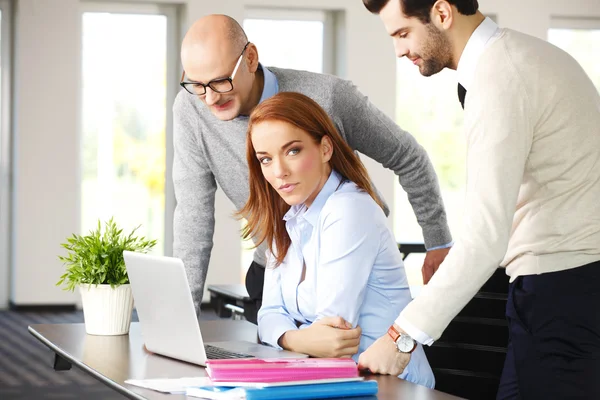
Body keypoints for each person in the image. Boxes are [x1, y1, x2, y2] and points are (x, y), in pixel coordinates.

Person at [358, 1, 600, 399]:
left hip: (560, 292)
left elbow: (485, 237)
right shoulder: (517, 57)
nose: (399, 51)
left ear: (441, 13)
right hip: (553, 289)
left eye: (402, 34)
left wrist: (401, 338)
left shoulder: (501, 75)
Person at [173, 14, 454, 324]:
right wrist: (181, 320)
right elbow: (192, 217)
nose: (210, 98)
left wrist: (438, 242)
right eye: (196, 85)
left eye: (220, 81)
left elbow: (409, 157)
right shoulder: (191, 108)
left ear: (250, 58)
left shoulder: (327, 97)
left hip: (347, 264)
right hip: (275, 270)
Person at [237, 91, 435, 388]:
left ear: (325, 148)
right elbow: (268, 315)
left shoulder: (349, 207)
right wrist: (296, 337)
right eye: (265, 159)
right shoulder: (288, 216)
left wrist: (292, 337)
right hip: (328, 376)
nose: (279, 172)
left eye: (292, 151)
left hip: (390, 385)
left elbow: (333, 332)